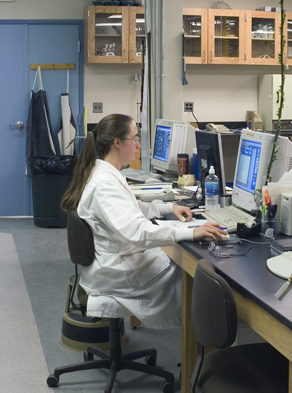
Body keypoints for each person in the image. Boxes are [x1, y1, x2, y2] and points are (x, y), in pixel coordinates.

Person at [59, 114, 229, 329]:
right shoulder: (105, 184)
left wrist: (168, 207)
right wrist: (190, 232)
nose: (138, 145)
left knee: (178, 257)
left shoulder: (104, 173)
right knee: (188, 269)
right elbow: (137, 232)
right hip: (117, 269)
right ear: (117, 142)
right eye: (135, 139)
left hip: (116, 257)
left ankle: (196, 328)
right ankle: (200, 334)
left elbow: (132, 207)